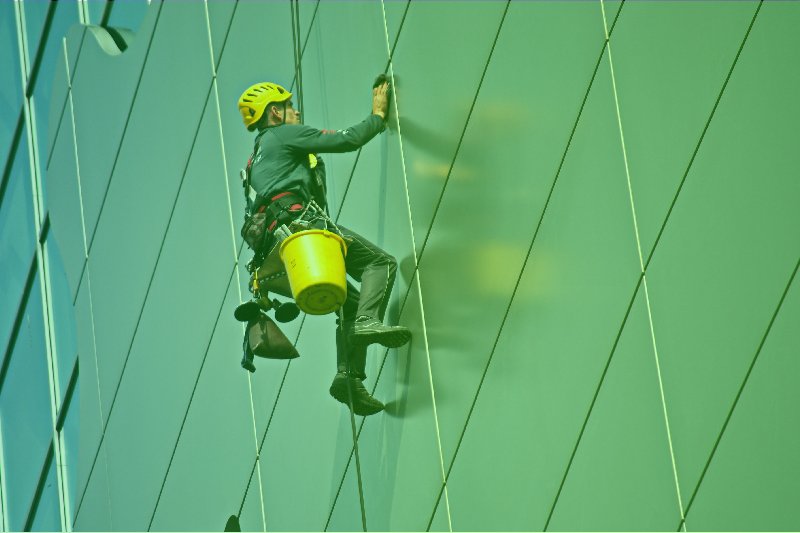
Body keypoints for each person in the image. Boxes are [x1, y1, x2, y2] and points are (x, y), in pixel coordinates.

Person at [237, 79, 410, 416]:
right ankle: (368, 323)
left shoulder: (254, 159)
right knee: (381, 263)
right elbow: (347, 140)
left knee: (350, 302)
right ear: (275, 113)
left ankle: (348, 378)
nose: (296, 110)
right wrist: (377, 116)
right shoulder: (281, 135)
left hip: (278, 250)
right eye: (289, 106)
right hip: (302, 229)